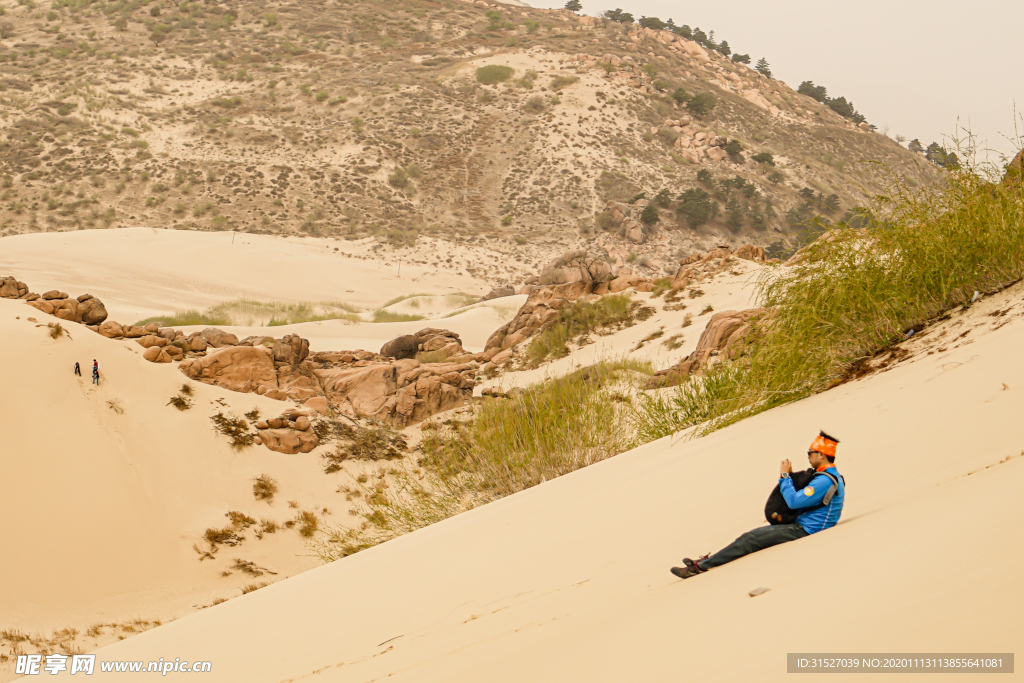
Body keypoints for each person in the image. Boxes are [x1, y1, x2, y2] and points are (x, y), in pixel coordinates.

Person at [670, 432, 845, 579]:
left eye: (810, 452)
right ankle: (706, 561)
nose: (808, 456)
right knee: (752, 537)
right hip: (803, 524)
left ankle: (699, 567)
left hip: (807, 529)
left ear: (821, 455)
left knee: (749, 539)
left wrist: (784, 476)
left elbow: (794, 502)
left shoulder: (823, 481)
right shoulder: (826, 477)